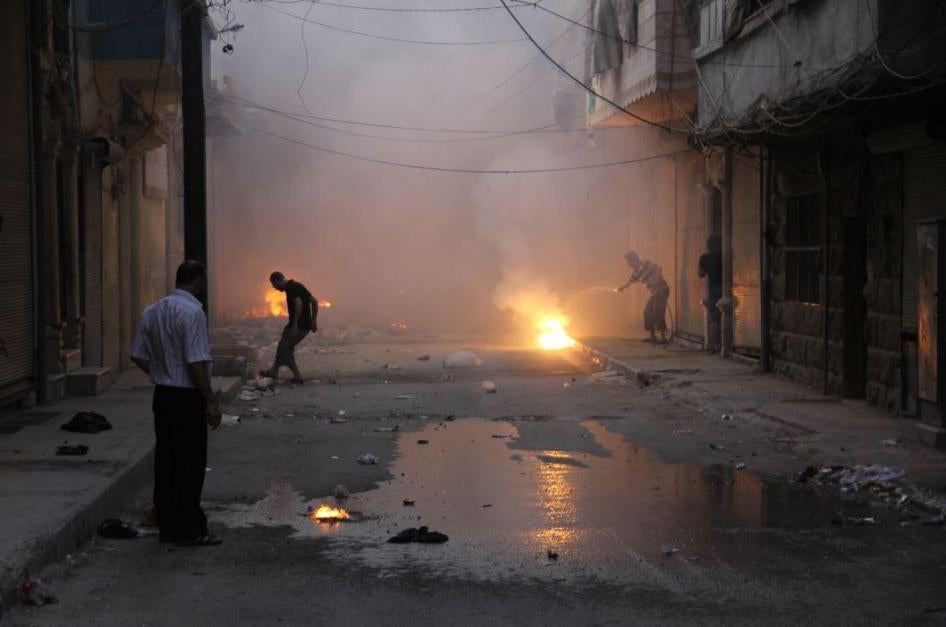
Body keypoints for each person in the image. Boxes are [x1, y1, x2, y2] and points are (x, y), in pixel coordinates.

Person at [130, 260, 222, 547]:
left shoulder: (153, 310)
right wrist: (210, 400)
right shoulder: (193, 312)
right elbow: (196, 361)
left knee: (167, 462)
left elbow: (137, 354)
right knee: (190, 463)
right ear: (197, 281)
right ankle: (189, 529)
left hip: (164, 397)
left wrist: (161, 373)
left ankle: (168, 525)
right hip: (187, 397)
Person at [260, 271, 317, 383]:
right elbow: (314, 301)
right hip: (303, 324)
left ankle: (297, 375)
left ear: (278, 281)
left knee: (285, 349)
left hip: (300, 325)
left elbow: (298, 303)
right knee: (282, 345)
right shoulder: (297, 285)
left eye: (274, 285)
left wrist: (295, 324)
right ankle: (274, 371)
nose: (275, 288)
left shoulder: (290, 288)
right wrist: (314, 320)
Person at [616, 251, 670, 343]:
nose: (628, 265)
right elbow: (630, 282)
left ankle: (663, 337)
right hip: (655, 292)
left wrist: (656, 279)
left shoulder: (645, 263)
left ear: (634, 260)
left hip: (662, 289)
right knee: (647, 311)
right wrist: (621, 288)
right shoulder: (636, 272)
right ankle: (653, 336)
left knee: (658, 310)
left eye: (629, 262)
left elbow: (659, 268)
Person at [698, 235, 723, 354]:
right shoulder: (724, 255)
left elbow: (700, 274)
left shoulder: (705, 257)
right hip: (730, 288)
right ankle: (723, 344)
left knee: (714, 318)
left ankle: (715, 345)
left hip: (715, 289)